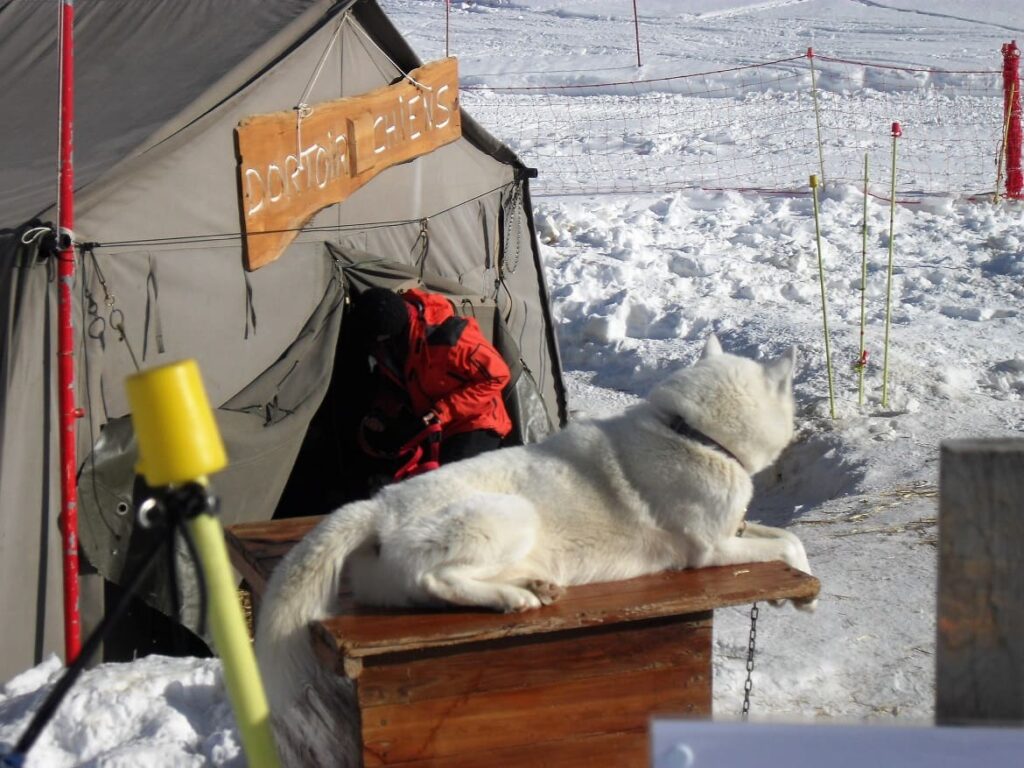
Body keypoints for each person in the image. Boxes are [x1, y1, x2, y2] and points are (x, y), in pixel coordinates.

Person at [347, 286, 512, 483]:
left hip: (476, 420)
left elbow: (498, 375)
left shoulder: (449, 338)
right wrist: (382, 412)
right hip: (428, 423)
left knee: (450, 485)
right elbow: (393, 385)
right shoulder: (387, 348)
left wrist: (442, 411)